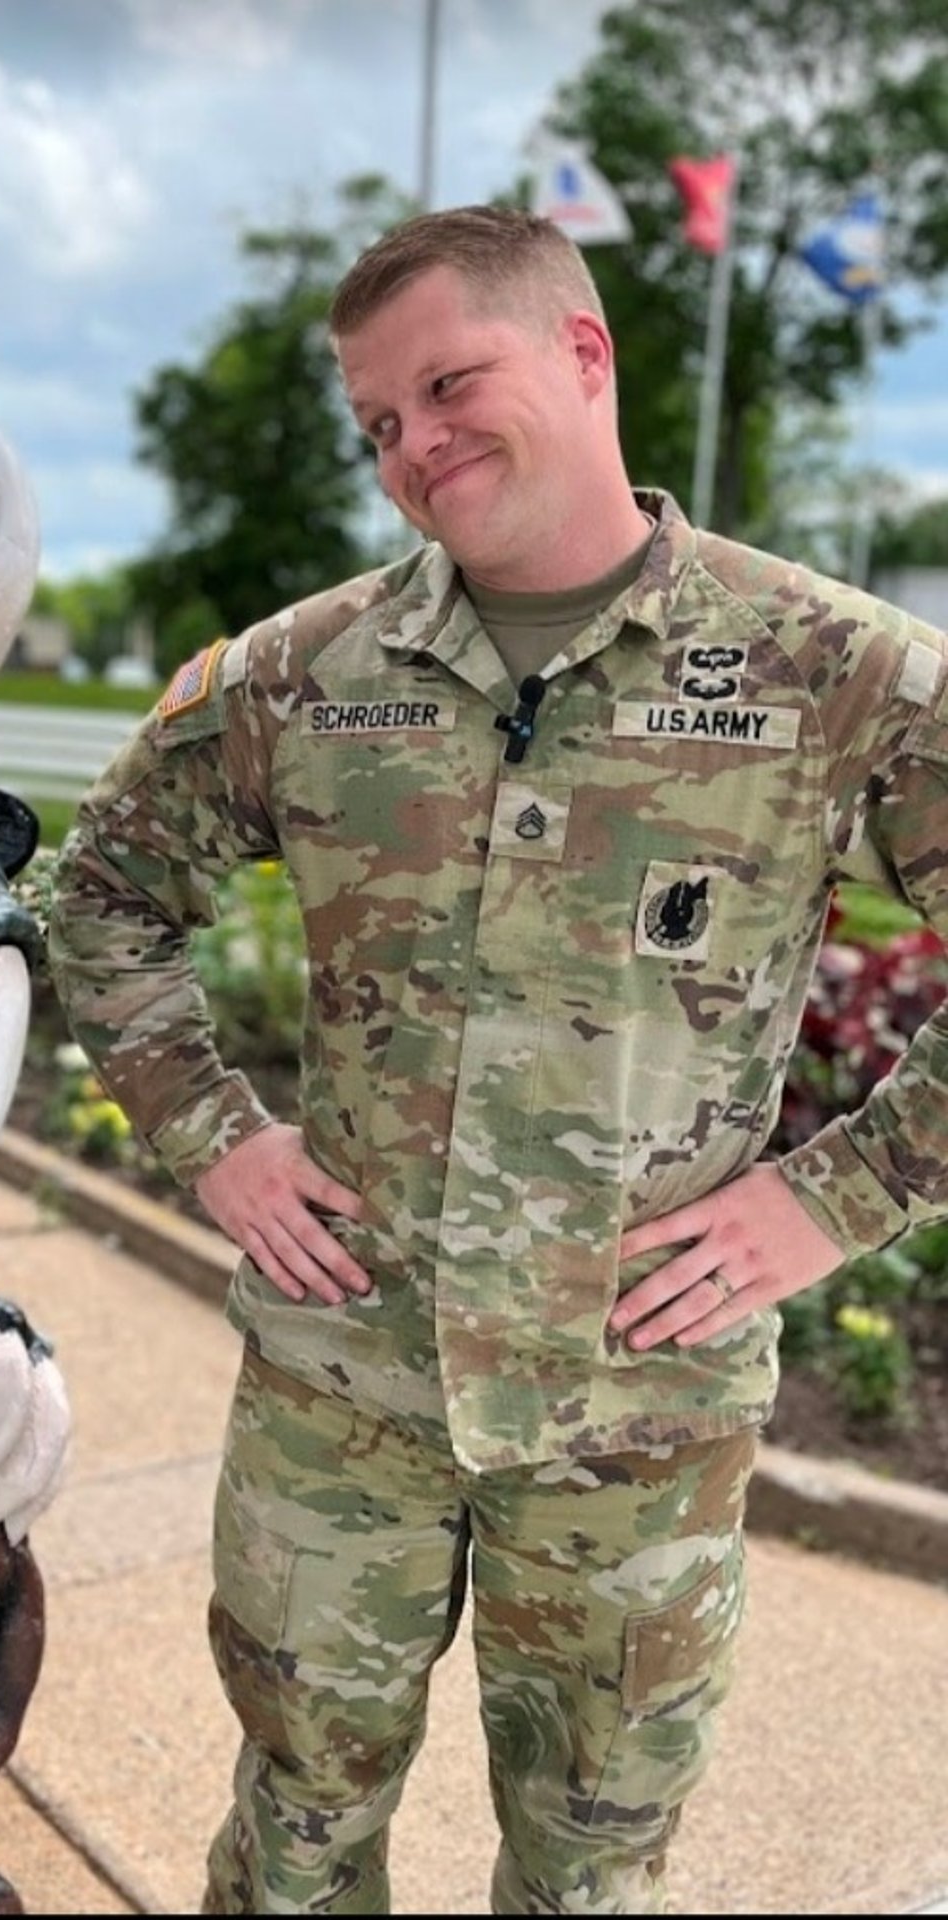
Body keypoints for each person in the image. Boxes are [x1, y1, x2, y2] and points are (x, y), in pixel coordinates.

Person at [46, 205, 948, 1915]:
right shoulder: (302, 677)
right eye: (380, 423)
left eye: (450, 383)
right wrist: (214, 1135)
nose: (415, 447)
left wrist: (837, 1199)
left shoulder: (828, 669)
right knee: (296, 1833)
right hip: (342, 1395)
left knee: (591, 1860)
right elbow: (97, 892)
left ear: (584, 354)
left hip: (638, 1418)